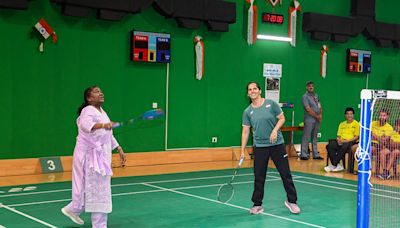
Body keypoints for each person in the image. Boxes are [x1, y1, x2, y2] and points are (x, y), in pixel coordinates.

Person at [61, 86, 126, 227]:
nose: (101, 93)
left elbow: (108, 134)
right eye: (97, 92)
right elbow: (85, 125)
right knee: (97, 191)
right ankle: (97, 224)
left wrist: (118, 148)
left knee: (97, 190)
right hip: (89, 157)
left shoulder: (103, 112)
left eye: (101, 91)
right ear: (89, 98)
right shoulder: (87, 111)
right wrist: (103, 125)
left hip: (101, 157)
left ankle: (73, 209)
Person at [241, 82, 300, 215]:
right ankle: (257, 205)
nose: (252, 91)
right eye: (249, 90)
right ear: (247, 93)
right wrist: (242, 150)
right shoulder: (247, 111)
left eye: (254, 88)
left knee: (285, 174)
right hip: (260, 147)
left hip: (277, 144)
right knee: (259, 177)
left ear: (260, 90)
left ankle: (292, 201)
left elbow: (282, 118)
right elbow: (245, 131)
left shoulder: (271, 104)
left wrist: (274, 130)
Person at [325, 107, 359, 172]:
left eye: (351, 114)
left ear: (353, 115)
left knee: (344, 146)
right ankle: (337, 165)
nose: (349, 115)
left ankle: (333, 164)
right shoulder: (342, 124)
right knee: (329, 145)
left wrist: (345, 141)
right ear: (345, 115)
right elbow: (338, 135)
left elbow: (356, 137)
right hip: (341, 141)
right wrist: (338, 140)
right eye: (348, 114)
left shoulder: (356, 124)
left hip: (350, 142)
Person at [300, 81, 323, 160]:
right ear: (307, 87)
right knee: (306, 136)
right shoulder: (305, 97)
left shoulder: (316, 95)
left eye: (312, 86)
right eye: (309, 86)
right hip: (309, 119)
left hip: (317, 118)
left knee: (315, 136)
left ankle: (315, 154)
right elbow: (308, 109)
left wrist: (320, 115)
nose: (311, 87)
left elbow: (319, 105)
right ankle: (303, 154)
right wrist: (316, 116)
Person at [371, 109, 393, 179]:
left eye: (384, 115)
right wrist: (379, 137)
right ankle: (366, 169)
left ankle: (385, 172)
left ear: (387, 117)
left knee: (378, 151)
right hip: (371, 143)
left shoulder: (389, 127)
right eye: (380, 115)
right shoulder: (373, 123)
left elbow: (384, 141)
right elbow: (369, 133)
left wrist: (374, 136)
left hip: (381, 146)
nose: (382, 117)